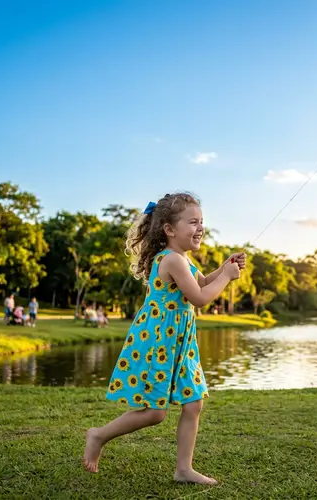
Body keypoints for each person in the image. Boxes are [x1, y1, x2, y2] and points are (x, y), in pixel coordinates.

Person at [82, 192, 245, 485]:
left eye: (202, 222)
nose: (200, 228)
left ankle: (184, 469)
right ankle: (98, 435)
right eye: (193, 222)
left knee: (193, 403)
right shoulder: (172, 260)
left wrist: (222, 268)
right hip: (161, 343)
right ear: (170, 230)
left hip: (179, 342)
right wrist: (227, 278)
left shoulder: (182, 260)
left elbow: (203, 282)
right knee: (155, 413)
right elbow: (199, 297)